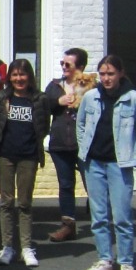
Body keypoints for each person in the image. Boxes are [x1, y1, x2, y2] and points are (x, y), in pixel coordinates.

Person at [77, 55, 136, 270]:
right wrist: (84, 151)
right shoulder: (91, 97)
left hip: (119, 164)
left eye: (110, 73)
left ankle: (126, 262)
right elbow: (80, 125)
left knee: (122, 216)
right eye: (102, 74)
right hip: (94, 163)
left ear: (120, 73)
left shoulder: (133, 99)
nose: (106, 78)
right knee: (98, 216)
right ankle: (104, 259)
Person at [0, 59, 52, 268]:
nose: (19, 79)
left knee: (25, 203)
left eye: (22, 74)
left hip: (28, 156)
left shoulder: (39, 99)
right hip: (5, 156)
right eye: (15, 75)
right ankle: (7, 246)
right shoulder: (1, 98)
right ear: (9, 77)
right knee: (6, 202)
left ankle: (26, 247)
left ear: (30, 77)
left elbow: (44, 126)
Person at [44, 47, 93, 243]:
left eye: (68, 65)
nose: (64, 67)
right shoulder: (55, 85)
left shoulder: (91, 87)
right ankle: (68, 225)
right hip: (61, 143)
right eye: (62, 64)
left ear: (80, 67)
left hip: (85, 144)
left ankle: (101, 222)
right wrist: (58, 101)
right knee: (66, 185)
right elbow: (43, 106)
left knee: (93, 184)